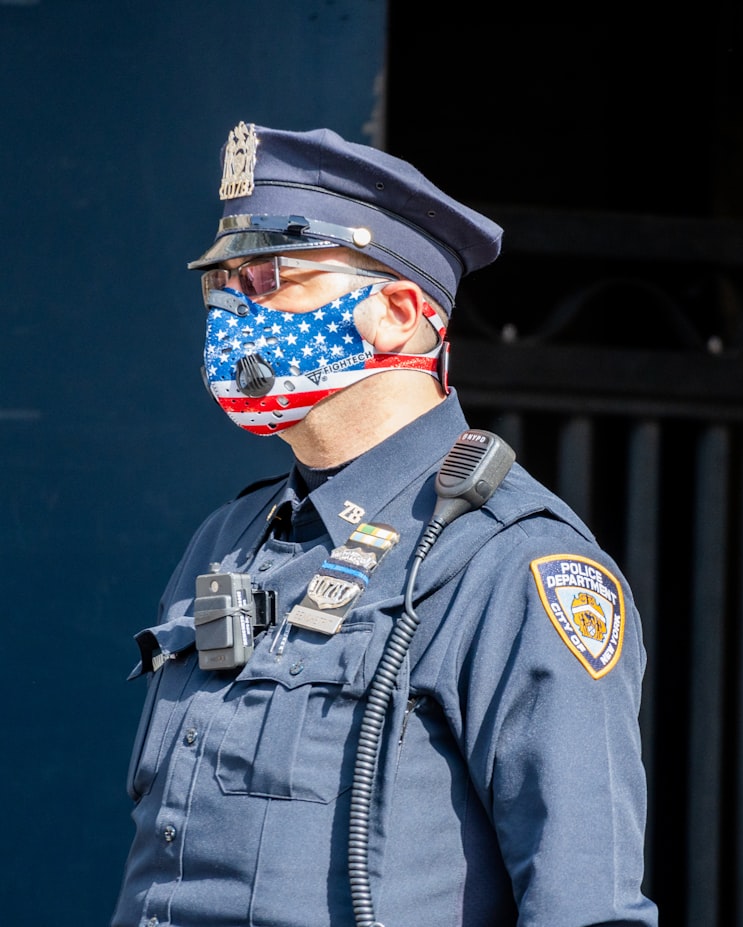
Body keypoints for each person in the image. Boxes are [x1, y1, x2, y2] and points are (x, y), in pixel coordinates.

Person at [111, 121, 658, 927]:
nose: (232, 309)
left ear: (398, 310)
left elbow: (586, 907)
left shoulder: (512, 565)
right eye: (219, 283)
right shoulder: (231, 537)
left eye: (266, 278)